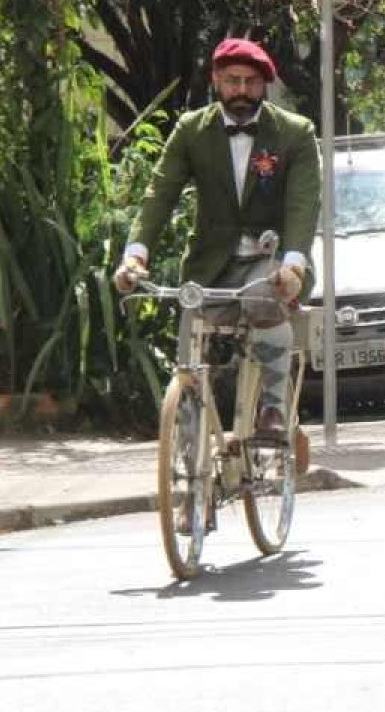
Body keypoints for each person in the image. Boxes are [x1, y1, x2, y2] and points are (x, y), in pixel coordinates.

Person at [113, 38, 322, 442]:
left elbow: (303, 204)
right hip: (211, 263)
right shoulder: (192, 130)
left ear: (265, 85)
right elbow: (159, 194)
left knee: (262, 298)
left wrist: (294, 265)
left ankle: (273, 409)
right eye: (231, 81)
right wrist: (134, 256)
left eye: (250, 82)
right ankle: (189, 437)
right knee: (190, 333)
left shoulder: (295, 134)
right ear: (215, 81)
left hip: (271, 259)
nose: (241, 91)